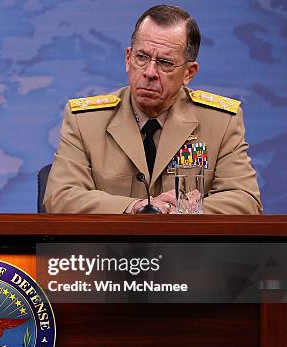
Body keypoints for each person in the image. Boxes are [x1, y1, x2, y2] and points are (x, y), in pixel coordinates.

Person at [44, 5, 262, 214]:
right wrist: (135, 207)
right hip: (109, 251)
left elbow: (245, 200)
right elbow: (61, 196)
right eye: (142, 57)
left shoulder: (221, 122)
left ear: (189, 73)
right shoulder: (86, 121)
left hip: (186, 251)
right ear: (128, 59)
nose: (149, 72)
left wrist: (181, 210)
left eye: (165, 62)